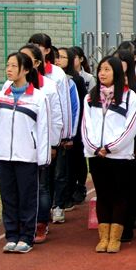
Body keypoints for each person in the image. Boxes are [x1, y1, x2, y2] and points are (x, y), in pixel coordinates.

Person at [0, 52, 51, 253]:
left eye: (14, 66)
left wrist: (43, 158)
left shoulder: (38, 98)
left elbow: (43, 129)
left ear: (26, 69)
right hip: (4, 156)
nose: (9, 69)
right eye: (8, 65)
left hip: (27, 156)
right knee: (8, 198)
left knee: (27, 198)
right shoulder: (0, 97)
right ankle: (11, 235)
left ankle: (26, 237)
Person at [81, 56, 136, 253]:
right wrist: (94, 147)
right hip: (97, 155)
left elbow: (131, 127)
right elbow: (86, 125)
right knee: (103, 195)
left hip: (120, 156)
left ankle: (115, 238)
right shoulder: (91, 97)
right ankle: (103, 237)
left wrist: (111, 147)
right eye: (100, 69)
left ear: (117, 73)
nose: (102, 73)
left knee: (119, 195)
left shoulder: (130, 97)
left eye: (107, 69)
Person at [16, 44, 63, 244]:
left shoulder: (48, 86)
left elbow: (56, 118)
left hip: (40, 144)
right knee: (20, 187)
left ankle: (41, 222)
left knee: (41, 185)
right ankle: (22, 223)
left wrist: (53, 144)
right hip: (18, 145)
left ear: (35, 63)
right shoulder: (9, 87)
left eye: (26, 59)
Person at [113, 48, 136, 242]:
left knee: (131, 183)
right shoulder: (107, 87)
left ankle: (129, 220)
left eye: (121, 60)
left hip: (132, 142)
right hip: (110, 145)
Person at [56, 48, 87, 211]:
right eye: (57, 57)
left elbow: (80, 106)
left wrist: (76, 130)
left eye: (63, 57)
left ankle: (78, 187)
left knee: (75, 160)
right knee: (62, 165)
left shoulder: (76, 80)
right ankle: (63, 195)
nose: (59, 60)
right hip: (58, 129)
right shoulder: (52, 79)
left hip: (75, 128)